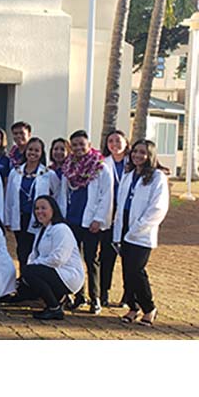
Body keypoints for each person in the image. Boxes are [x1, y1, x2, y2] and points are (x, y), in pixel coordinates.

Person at [115, 140, 170, 327]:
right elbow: (121, 204)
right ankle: (132, 307)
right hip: (124, 230)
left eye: (143, 153)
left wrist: (138, 227)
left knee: (137, 271)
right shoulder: (129, 175)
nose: (138, 156)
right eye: (135, 152)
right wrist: (119, 232)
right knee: (126, 272)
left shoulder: (157, 177)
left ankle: (149, 308)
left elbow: (158, 208)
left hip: (141, 233)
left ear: (150, 156)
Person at [57, 130, 113, 314]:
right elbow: (62, 194)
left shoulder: (100, 167)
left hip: (90, 222)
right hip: (71, 220)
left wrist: (98, 219)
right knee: (73, 260)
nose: (79, 148)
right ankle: (79, 295)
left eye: (82, 144)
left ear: (89, 145)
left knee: (91, 259)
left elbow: (106, 196)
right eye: (75, 145)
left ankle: (95, 297)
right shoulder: (68, 167)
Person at [21, 196, 85, 320]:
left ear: (53, 210)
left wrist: (33, 266)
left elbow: (58, 258)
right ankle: (58, 299)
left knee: (29, 272)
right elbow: (34, 254)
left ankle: (54, 308)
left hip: (68, 275)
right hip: (53, 271)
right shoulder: (42, 230)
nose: (39, 211)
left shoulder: (61, 229)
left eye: (43, 208)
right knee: (24, 285)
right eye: (37, 208)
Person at [4, 137, 56, 273]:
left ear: (42, 153)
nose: (33, 153)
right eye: (30, 149)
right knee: (22, 251)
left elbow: (56, 195)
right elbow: (9, 197)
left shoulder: (48, 174)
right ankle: (23, 279)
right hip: (20, 218)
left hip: (39, 218)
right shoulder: (15, 173)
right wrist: (8, 219)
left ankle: (35, 280)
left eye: (37, 150)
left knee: (37, 250)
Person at [101, 129, 130, 306]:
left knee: (129, 258)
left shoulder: (133, 163)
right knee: (106, 256)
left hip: (127, 216)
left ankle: (128, 295)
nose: (114, 144)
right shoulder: (103, 163)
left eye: (118, 140)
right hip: (109, 216)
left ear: (126, 143)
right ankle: (103, 292)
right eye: (110, 141)